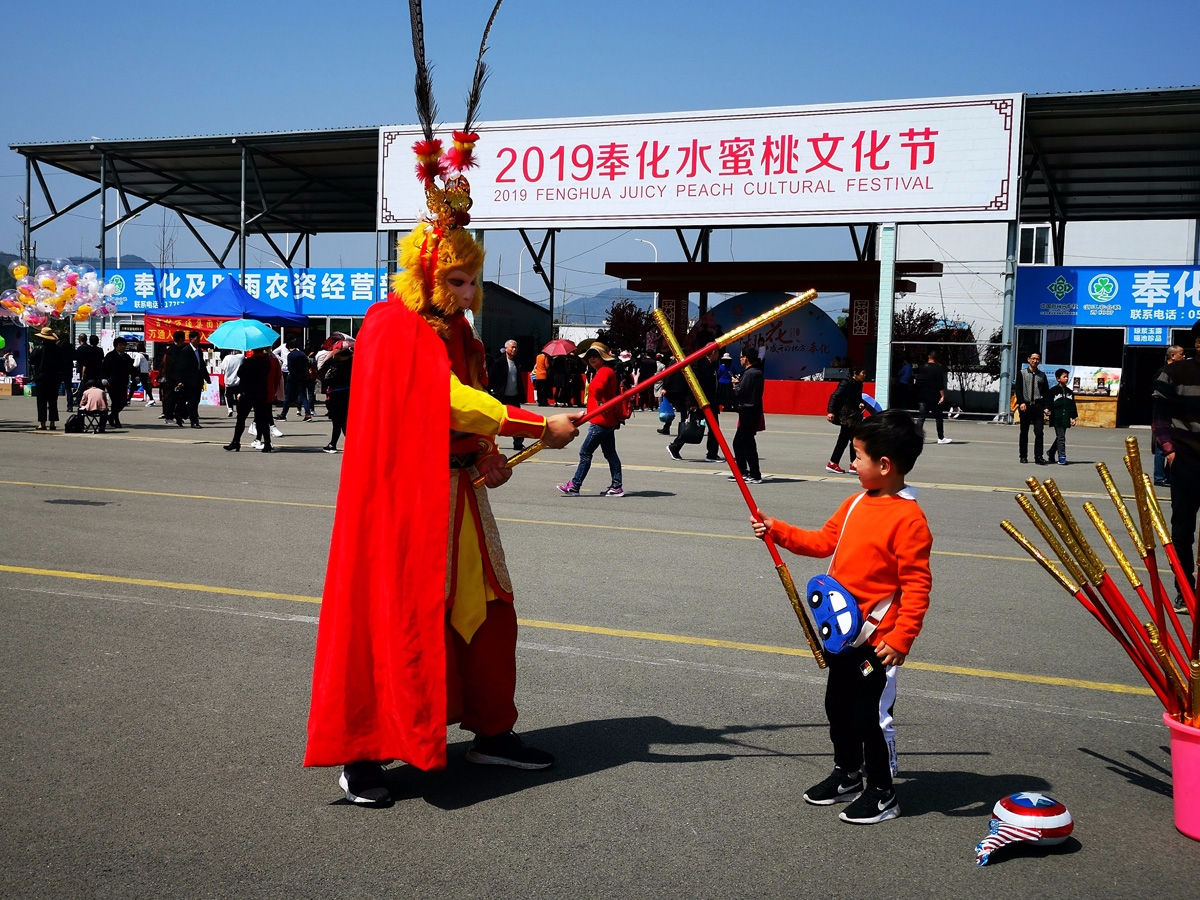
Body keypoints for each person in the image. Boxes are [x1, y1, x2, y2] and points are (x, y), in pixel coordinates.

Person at [304, 95, 582, 807]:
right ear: (426, 273)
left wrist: (487, 453)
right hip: (399, 507)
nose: (466, 293)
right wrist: (530, 425)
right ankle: (362, 751)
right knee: (389, 618)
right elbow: (445, 400)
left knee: (486, 614)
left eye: (470, 279)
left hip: (454, 498)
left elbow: (467, 413)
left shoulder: (458, 332)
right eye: (455, 280)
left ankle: (490, 730)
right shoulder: (393, 326)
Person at [752, 410, 932, 825]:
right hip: (844, 638)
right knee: (837, 706)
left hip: (877, 642)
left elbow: (918, 587)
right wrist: (775, 528)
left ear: (884, 466)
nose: (852, 463)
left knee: (869, 717)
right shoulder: (854, 503)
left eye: (858, 456)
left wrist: (901, 638)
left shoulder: (909, 520)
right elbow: (822, 542)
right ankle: (848, 772)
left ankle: (884, 793)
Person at [1152, 321, 1200, 615]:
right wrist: (1168, 451)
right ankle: (1185, 591)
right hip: (1186, 463)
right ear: (1197, 343)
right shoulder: (1175, 372)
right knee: (1182, 532)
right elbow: (1159, 416)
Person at [557, 344, 624, 497]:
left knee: (585, 452)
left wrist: (599, 402)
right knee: (610, 453)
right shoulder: (606, 371)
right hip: (607, 421)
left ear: (603, 357)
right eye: (590, 355)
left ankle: (575, 485)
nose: (592, 358)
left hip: (600, 421)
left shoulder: (603, 372)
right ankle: (616, 486)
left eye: (596, 355)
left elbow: (597, 389)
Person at [666, 347, 721, 463]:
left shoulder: (712, 364)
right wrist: (693, 403)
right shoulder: (700, 364)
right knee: (692, 427)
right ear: (713, 352)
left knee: (714, 428)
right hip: (700, 402)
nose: (718, 355)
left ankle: (712, 453)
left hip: (710, 402)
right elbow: (693, 384)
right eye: (717, 352)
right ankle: (674, 447)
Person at [224, 348, 276, 453]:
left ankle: (236, 441)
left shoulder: (248, 361)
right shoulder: (266, 361)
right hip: (261, 392)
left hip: (247, 393)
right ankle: (267, 443)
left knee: (241, 419)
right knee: (263, 419)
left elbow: (240, 374)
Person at [730, 346, 765, 484]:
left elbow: (741, 392)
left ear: (746, 358)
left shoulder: (750, 373)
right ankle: (742, 471)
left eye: (741, 357)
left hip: (748, 411)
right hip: (751, 410)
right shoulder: (756, 372)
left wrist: (735, 385)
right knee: (741, 442)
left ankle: (754, 474)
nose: (740, 359)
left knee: (746, 443)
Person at [1154, 345, 1185, 486]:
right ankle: (1159, 477)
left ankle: (1168, 475)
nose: (1183, 357)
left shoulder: (1178, 372)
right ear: (1172, 356)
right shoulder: (1163, 372)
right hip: (1162, 417)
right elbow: (1156, 394)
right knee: (1161, 449)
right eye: (1181, 354)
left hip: (1174, 417)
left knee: (1173, 448)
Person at [826, 368, 867, 474]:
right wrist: (831, 411)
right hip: (847, 416)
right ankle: (853, 464)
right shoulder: (846, 383)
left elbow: (857, 398)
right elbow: (835, 396)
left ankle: (833, 463)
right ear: (855, 373)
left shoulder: (858, 384)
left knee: (844, 440)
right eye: (863, 373)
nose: (864, 375)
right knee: (854, 439)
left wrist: (860, 403)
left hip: (854, 416)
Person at [488, 339, 527, 451]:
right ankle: (489, 443)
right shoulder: (498, 362)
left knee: (518, 421)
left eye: (516, 347)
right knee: (496, 421)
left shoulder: (517, 362)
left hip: (514, 397)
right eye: (512, 347)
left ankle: (518, 443)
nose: (514, 349)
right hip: (501, 397)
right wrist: (491, 392)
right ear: (506, 349)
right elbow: (491, 378)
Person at [1014, 351, 1050, 464]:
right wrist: (1021, 402)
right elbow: (1018, 389)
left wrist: (1046, 406)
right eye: (1033, 358)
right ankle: (1023, 456)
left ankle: (1038, 456)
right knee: (1024, 432)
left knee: (1039, 432)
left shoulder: (1042, 375)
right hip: (1025, 406)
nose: (1035, 361)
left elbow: (1046, 392)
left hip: (1038, 407)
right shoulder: (1022, 373)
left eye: (1037, 359)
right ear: (1029, 359)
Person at [29, 326, 68, 430]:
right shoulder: (57, 349)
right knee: (53, 401)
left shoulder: (38, 348)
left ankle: (42, 423)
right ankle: (52, 423)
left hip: (41, 378)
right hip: (54, 378)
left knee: (41, 401)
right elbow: (61, 364)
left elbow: (31, 361)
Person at [318, 341, 352, 453]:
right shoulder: (352, 363)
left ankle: (334, 444)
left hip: (337, 395)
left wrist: (327, 360)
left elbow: (326, 378)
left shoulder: (337, 366)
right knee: (342, 421)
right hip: (347, 394)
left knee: (339, 421)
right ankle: (334, 443)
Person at [914, 352, 951, 445]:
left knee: (921, 417)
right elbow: (940, 384)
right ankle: (941, 437)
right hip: (934, 396)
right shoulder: (938, 369)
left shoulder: (921, 368)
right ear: (937, 359)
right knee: (938, 417)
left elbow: (917, 381)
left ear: (929, 357)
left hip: (922, 396)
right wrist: (942, 395)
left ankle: (916, 437)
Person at [1045, 368, 1078, 465]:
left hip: (1065, 418)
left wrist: (1073, 417)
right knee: (1061, 437)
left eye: (1067, 377)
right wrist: (1047, 410)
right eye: (1064, 377)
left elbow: (1072, 405)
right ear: (1058, 378)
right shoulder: (1053, 391)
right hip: (1056, 417)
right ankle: (1062, 457)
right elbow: (1048, 402)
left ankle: (1051, 452)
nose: (1066, 378)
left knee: (1060, 437)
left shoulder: (1069, 392)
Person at [101, 337, 136, 429]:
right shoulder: (110, 356)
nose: (123, 347)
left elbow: (131, 368)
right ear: (116, 346)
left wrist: (135, 376)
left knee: (123, 401)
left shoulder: (126, 357)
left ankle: (111, 416)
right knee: (115, 401)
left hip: (123, 382)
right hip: (112, 382)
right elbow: (105, 368)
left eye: (124, 345)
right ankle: (116, 420)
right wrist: (104, 378)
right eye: (121, 345)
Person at [279, 339, 312, 421]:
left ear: (289, 347)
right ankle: (308, 414)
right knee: (303, 395)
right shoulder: (303, 354)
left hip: (293, 377)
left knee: (287, 396)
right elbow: (308, 365)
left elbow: (290, 367)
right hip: (303, 377)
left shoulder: (290, 355)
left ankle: (283, 415)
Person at [129, 341, 155, 407]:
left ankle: (128, 400)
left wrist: (132, 362)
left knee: (133, 386)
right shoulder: (146, 355)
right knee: (145, 386)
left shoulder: (139, 355)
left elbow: (136, 364)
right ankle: (151, 399)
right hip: (145, 372)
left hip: (139, 373)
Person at [219, 349, 244, 418]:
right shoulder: (241, 357)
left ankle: (230, 409)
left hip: (228, 380)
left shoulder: (227, 358)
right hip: (237, 380)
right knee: (238, 396)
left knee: (228, 395)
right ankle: (239, 411)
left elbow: (222, 368)